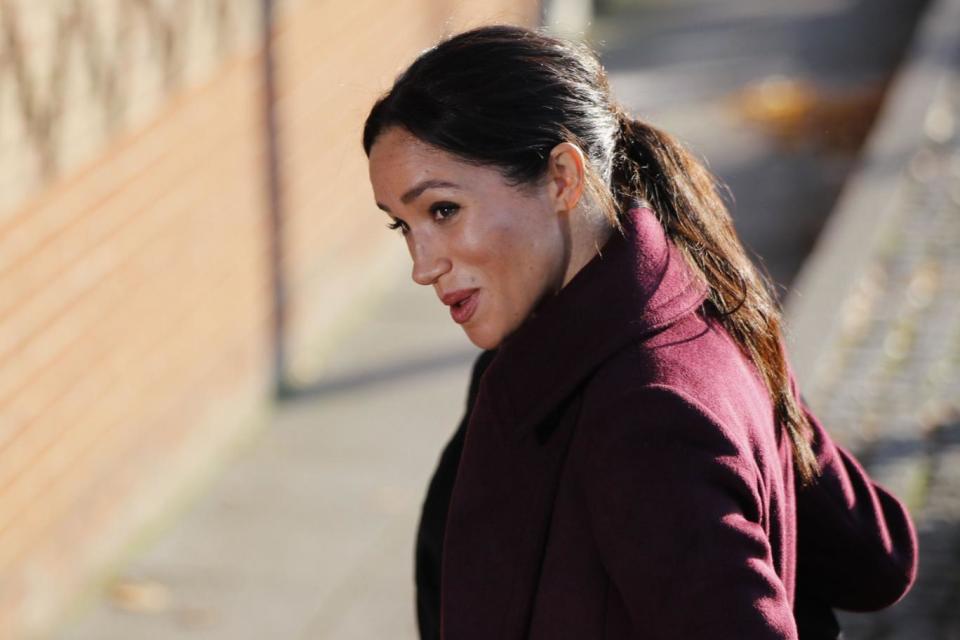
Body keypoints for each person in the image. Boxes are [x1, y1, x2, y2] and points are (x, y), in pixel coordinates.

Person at [362, 25, 918, 640]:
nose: (422, 265)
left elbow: (875, 561)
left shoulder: (643, 416)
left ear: (562, 179)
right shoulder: (698, 308)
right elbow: (875, 556)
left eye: (443, 210)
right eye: (403, 226)